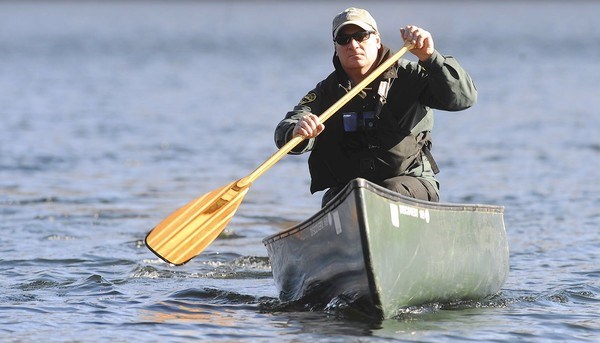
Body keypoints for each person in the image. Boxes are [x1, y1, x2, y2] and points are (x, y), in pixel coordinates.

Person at [274, 7, 477, 207]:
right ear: (336, 47)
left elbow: (463, 97)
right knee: (338, 199)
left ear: (377, 40)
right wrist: (296, 131)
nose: (353, 44)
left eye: (361, 36)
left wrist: (430, 57)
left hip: (411, 183)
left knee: (386, 190)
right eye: (343, 40)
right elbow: (287, 126)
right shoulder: (325, 93)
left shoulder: (411, 75)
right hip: (351, 192)